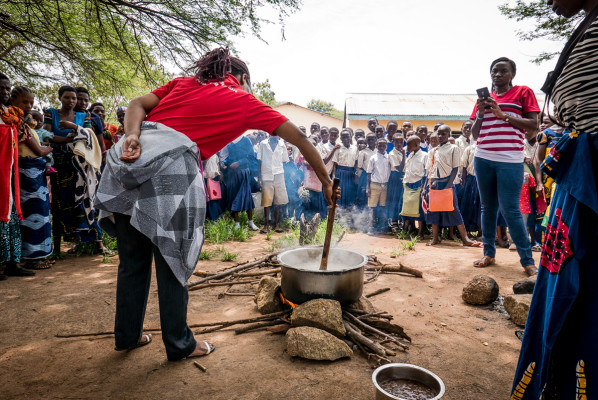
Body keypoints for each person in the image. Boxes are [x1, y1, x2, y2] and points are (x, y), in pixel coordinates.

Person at [94, 47, 335, 361]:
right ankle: (180, 345)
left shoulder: (181, 84)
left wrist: (132, 135)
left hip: (126, 165)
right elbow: (300, 140)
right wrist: (327, 182)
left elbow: (137, 103)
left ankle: (127, 336)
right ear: (243, 78)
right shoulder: (245, 101)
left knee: (132, 261)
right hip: (170, 173)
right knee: (173, 263)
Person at [512, 2, 598, 398]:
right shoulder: (588, 23)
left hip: (591, 175)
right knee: (565, 290)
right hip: (577, 173)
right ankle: (558, 381)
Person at [470, 57, 540, 276]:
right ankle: (488, 253)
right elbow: (474, 134)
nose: (497, 75)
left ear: (512, 74)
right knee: (487, 207)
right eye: (494, 71)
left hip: (510, 159)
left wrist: (503, 115)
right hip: (483, 157)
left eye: (503, 71)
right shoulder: (483, 99)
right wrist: (481, 113)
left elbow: (533, 125)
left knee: (511, 209)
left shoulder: (523, 92)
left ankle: (527, 261)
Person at [43, 85, 106, 257]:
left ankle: (98, 244)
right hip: (58, 165)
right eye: (67, 97)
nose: (71, 101)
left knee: (85, 201)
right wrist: (68, 138)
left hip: (80, 166)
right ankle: (57, 248)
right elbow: (45, 135)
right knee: (59, 203)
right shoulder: (51, 113)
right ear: (60, 98)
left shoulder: (83, 116)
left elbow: (88, 137)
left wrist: (72, 128)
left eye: (74, 98)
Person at [12, 87, 53, 270]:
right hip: (28, 176)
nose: (29, 106)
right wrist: (48, 149)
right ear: (14, 101)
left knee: (35, 214)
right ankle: (32, 258)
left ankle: (33, 257)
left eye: (31, 102)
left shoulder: (24, 123)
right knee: (33, 215)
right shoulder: (19, 124)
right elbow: (38, 150)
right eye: (24, 102)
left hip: (33, 175)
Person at [0, 75, 34, 279]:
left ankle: (13, 262)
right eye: (1, 88)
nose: (4, 92)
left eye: (7, 88)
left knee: (11, 214)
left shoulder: (10, 114)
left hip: (10, 171)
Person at [424, 125, 479, 247]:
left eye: (443, 134)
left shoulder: (453, 148)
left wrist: (448, 185)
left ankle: (465, 238)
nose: (440, 136)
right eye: (438, 134)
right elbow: (430, 170)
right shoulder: (433, 151)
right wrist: (426, 187)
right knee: (434, 210)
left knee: (454, 209)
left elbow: (455, 168)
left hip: (447, 183)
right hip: (434, 183)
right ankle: (435, 238)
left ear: (449, 135)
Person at [224, 135, 260, 230]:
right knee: (234, 195)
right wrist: (223, 162)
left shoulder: (246, 140)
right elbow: (228, 158)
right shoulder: (230, 141)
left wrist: (239, 163)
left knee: (246, 196)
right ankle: (237, 223)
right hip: (232, 174)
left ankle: (250, 222)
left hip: (243, 172)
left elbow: (251, 157)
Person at [257, 135, 289, 233]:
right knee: (267, 201)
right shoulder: (263, 144)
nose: (274, 135)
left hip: (279, 174)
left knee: (278, 201)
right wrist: (259, 178)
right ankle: (266, 225)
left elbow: (285, 160)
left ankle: (276, 224)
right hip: (266, 175)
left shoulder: (282, 144)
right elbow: (259, 161)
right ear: (269, 133)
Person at [400, 136, 428, 239]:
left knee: (419, 211)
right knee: (406, 209)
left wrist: (424, 187)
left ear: (416, 145)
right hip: (408, 184)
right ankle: (405, 231)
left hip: (418, 185)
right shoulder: (410, 155)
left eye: (409, 145)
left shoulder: (424, 156)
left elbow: (426, 172)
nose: (407, 147)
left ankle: (420, 233)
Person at [366, 138, 391, 233]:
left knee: (383, 207)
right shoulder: (373, 158)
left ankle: (382, 227)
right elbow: (368, 173)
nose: (381, 147)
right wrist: (368, 188)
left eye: (383, 145)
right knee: (372, 207)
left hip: (385, 185)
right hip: (374, 185)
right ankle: (371, 227)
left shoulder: (389, 157)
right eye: (379, 145)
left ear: (386, 146)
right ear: (376, 146)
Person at [459, 139, 481, 236]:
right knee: (468, 205)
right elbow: (464, 166)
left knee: (480, 205)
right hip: (471, 179)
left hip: (482, 179)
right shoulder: (470, 148)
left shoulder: (487, 148)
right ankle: (466, 231)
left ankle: (481, 232)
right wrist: (464, 182)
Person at [332, 129, 358, 208]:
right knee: (340, 192)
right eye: (343, 137)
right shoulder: (338, 148)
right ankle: (339, 211)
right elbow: (334, 164)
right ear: (341, 138)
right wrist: (333, 176)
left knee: (349, 192)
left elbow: (356, 163)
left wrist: (356, 175)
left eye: (347, 137)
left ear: (351, 137)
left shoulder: (355, 148)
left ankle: (348, 213)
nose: (346, 139)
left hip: (350, 173)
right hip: (340, 172)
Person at [386, 135, 406, 228]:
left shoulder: (402, 151)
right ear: (393, 142)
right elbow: (400, 168)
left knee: (402, 200)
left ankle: (401, 221)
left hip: (403, 177)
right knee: (395, 200)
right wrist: (404, 155)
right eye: (397, 142)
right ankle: (394, 222)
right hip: (395, 177)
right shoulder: (392, 154)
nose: (399, 144)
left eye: (401, 142)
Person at [355, 132, 376, 209]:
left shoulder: (378, 150)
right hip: (365, 175)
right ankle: (361, 216)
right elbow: (359, 166)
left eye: (372, 139)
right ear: (366, 140)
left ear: (376, 140)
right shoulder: (363, 152)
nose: (370, 141)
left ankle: (372, 216)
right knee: (363, 195)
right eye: (368, 139)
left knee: (374, 195)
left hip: (376, 176)